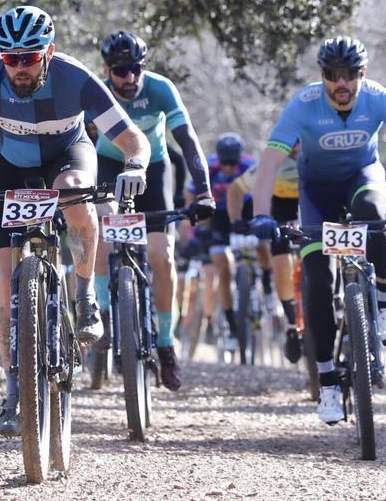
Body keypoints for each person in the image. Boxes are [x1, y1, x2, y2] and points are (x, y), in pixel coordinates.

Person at [0, 5, 150, 437]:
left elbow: (131, 138)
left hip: (68, 157)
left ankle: (84, 297)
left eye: (29, 57)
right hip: (12, 168)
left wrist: (135, 167)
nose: (20, 68)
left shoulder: (75, 78)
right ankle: (12, 388)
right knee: (5, 287)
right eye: (11, 58)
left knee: (74, 189)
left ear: (49, 51)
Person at [249, 36, 386, 424]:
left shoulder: (379, 98)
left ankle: (385, 305)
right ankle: (329, 382)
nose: (341, 83)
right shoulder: (303, 104)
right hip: (316, 192)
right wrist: (262, 214)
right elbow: (269, 162)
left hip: (362, 178)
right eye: (333, 75)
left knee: (373, 214)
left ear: (362, 76)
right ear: (322, 77)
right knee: (317, 281)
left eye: (350, 75)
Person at [88, 31, 215, 391]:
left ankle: (165, 343)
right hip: (109, 165)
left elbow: (187, 139)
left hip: (154, 170)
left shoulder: (160, 89)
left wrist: (203, 191)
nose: (129, 78)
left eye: (135, 69)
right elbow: (75, 139)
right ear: (107, 70)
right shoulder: (96, 93)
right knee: (100, 225)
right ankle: (104, 313)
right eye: (120, 70)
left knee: (162, 256)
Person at [227, 148, 304, 363]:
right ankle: (291, 321)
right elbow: (235, 189)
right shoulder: (274, 161)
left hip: (313, 203)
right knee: (281, 265)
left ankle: (336, 301)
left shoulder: (319, 151)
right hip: (283, 208)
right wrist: (236, 222)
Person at [181, 132, 255, 354]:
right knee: (222, 268)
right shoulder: (209, 167)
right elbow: (190, 197)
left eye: (233, 164)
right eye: (225, 163)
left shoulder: (251, 166)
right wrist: (194, 230)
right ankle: (232, 327)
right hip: (217, 216)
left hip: (246, 210)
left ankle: (266, 284)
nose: (229, 169)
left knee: (262, 245)